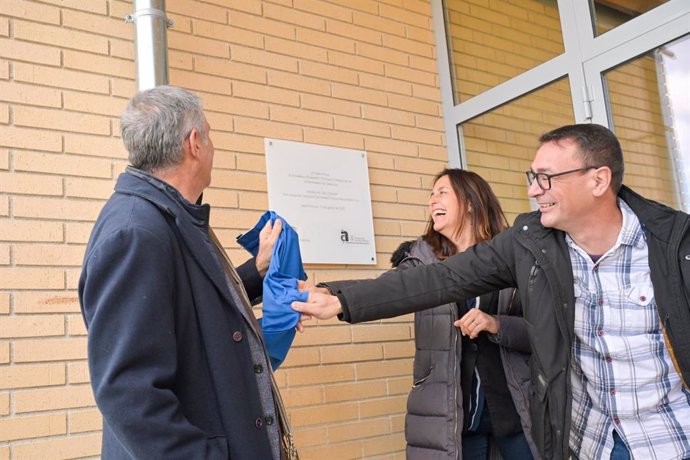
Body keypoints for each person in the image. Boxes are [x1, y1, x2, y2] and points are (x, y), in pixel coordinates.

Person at [294, 124, 690, 460]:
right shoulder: (529, 241)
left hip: (670, 439)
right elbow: (440, 279)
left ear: (599, 179)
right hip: (587, 443)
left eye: (547, 178)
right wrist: (340, 299)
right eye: (532, 177)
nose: (535, 191)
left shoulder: (676, 244)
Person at [79, 85, 290, 459]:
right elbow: (129, 393)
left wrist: (256, 272)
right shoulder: (136, 232)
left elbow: (188, 305)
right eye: (209, 135)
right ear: (194, 142)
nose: (212, 148)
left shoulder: (169, 215)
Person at [328, 169, 538, 459]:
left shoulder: (510, 256)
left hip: (514, 409)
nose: (432, 201)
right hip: (454, 415)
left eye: (442, 192)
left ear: (470, 202)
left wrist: (497, 324)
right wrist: (332, 294)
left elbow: (541, 332)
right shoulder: (419, 260)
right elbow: (387, 289)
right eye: (431, 194)